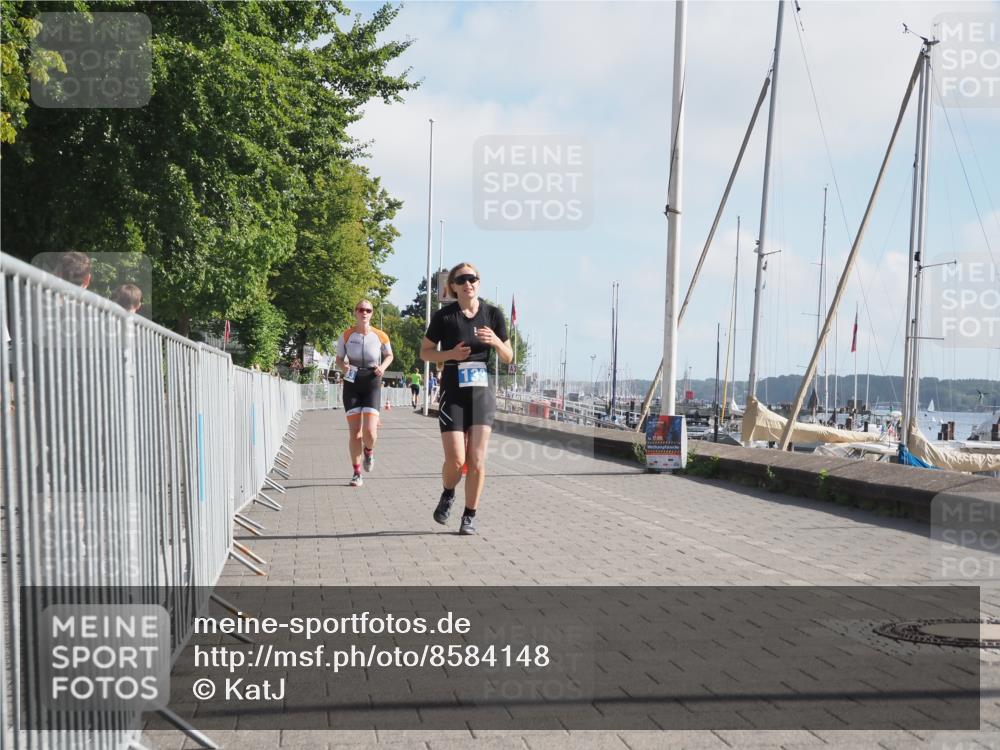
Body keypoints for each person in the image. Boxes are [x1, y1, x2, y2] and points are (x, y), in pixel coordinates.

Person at [420, 262, 512, 535]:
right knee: (457, 461)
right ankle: (448, 492)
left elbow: (509, 357)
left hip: (482, 392)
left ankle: (469, 516)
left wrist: (495, 341)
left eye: (472, 278)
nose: (467, 283)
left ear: (478, 283)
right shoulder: (444, 317)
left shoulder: (493, 314)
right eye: (461, 280)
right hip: (453, 392)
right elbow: (425, 353)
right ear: (453, 287)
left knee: (478, 459)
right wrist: (449, 355)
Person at [336, 299, 393, 487]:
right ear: (355, 312)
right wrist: (343, 366)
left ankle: (369, 451)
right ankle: (356, 473)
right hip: (352, 380)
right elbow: (338, 359)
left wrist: (383, 367)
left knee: (369, 432)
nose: (364, 312)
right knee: (355, 433)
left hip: (371, 380)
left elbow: (389, 355)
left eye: (368, 310)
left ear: (372, 314)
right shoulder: (346, 334)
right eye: (361, 309)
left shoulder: (380, 335)